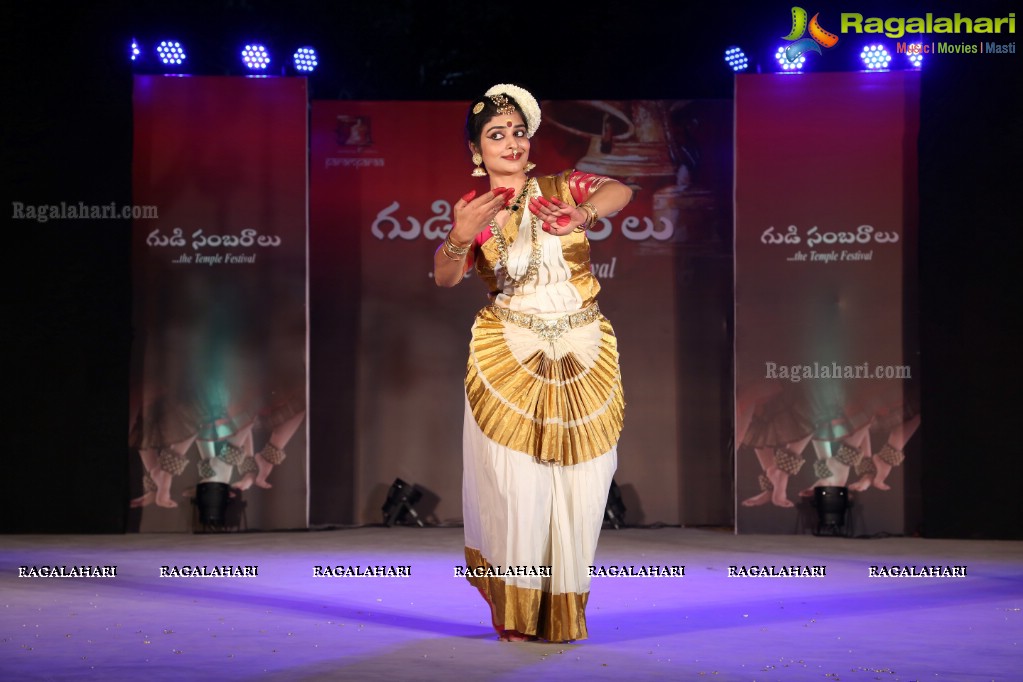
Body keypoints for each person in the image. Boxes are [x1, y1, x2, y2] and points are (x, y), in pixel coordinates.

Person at [434, 84, 632, 643]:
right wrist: (459, 237)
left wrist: (584, 213)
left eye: (519, 131)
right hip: (509, 353)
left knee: (585, 483)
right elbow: (446, 277)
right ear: (477, 151)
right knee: (515, 486)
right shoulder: (474, 209)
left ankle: (563, 610)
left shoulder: (562, 187)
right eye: (497, 135)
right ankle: (518, 613)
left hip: (582, 349)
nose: (512, 142)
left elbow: (621, 189)